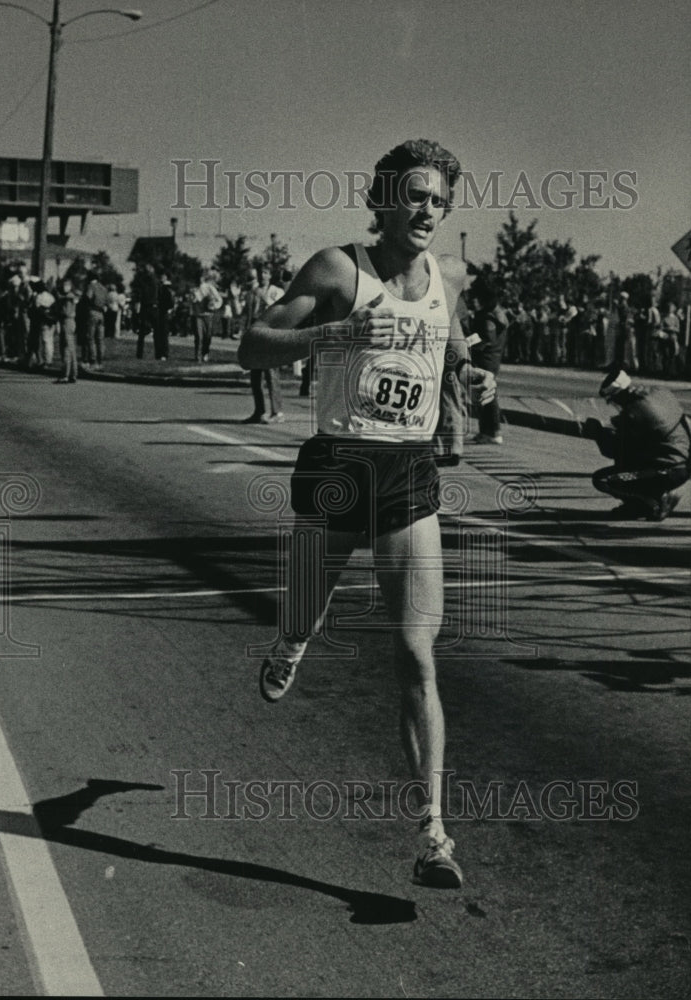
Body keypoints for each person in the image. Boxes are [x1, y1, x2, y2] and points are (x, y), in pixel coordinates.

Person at [238, 138, 496, 889]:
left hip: (408, 469)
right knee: (301, 616)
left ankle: (432, 835)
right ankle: (289, 642)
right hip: (339, 466)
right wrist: (335, 334)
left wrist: (472, 377)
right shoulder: (336, 268)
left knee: (416, 650)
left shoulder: (448, 275)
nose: (426, 211)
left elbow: (452, 350)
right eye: (414, 196)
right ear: (383, 199)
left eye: (439, 200)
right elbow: (251, 346)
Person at [583, 368, 690, 520]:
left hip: (664, 471)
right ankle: (645, 500)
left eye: (612, 401)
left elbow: (614, 451)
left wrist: (598, 433)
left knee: (603, 479)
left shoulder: (632, 414)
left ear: (619, 396)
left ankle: (651, 504)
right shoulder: (660, 392)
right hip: (683, 464)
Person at [241, 268, 285, 423]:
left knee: (271, 373)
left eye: (266, 272)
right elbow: (246, 313)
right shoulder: (253, 291)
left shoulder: (276, 291)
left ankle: (277, 412)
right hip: (255, 332)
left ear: (270, 275)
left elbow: (280, 309)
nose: (262, 275)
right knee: (255, 374)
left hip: (270, 331)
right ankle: (259, 411)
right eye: (260, 273)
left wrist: (264, 297)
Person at [468, 273, 508, 445]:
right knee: (487, 393)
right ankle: (488, 431)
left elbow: (486, 338)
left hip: (486, 358)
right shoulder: (499, 313)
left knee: (486, 394)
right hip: (494, 357)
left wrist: (468, 343)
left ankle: (492, 431)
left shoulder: (488, 316)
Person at [191, 269, 223, 362]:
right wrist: (194, 297)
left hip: (208, 315)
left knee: (207, 336)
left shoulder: (210, 288)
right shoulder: (197, 288)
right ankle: (198, 355)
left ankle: (205, 353)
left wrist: (213, 305)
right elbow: (194, 300)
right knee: (199, 336)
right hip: (198, 314)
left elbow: (219, 300)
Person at [55, 278, 80, 384]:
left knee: (65, 348)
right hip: (70, 322)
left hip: (67, 321)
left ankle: (65, 374)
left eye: (66, 285)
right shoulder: (70, 297)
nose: (64, 287)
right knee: (71, 349)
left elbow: (66, 308)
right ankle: (73, 374)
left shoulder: (68, 297)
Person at [84, 270, 108, 370]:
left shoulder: (91, 286)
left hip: (92, 311)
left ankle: (93, 361)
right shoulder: (103, 288)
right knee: (100, 339)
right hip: (101, 313)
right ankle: (100, 361)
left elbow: (88, 297)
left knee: (91, 338)